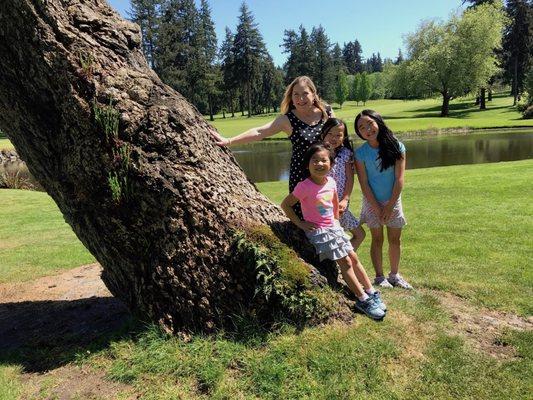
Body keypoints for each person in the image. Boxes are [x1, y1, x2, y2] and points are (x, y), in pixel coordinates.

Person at [281, 142, 386, 320]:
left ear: (331, 163)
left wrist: (336, 220)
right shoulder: (304, 186)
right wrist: (301, 223)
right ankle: (362, 299)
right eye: (314, 160)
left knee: (353, 257)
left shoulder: (331, 182)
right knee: (345, 261)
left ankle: (371, 291)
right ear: (307, 164)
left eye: (324, 160)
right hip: (319, 232)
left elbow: (335, 201)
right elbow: (286, 205)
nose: (319, 164)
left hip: (334, 228)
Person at [211, 76, 333, 217]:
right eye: (296, 94)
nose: (300, 99)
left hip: (327, 172)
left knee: (328, 215)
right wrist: (229, 141)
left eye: (305, 93)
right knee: (305, 218)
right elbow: (259, 132)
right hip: (301, 176)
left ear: (313, 94)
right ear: (291, 97)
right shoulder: (287, 119)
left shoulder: (326, 113)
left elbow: (339, 138)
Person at [354, 109, 413, 290]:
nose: (367, 129)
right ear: (359, 133)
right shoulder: (360, 153)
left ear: (378, 122)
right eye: (362, 128)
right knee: (377, 239)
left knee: (395, 239)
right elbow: (364, 183)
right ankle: (380, 277)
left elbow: (399, 179)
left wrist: (389, 206)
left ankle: (394, 275)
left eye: (370, 123)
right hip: (372, 202)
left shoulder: (397, 146)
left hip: (393, 200)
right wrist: (378, 208)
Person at [319, 118, 366, 251]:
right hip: (324, 207)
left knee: (360, 234)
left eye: (338, 135)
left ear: (344, 137)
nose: (334, 138)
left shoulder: (346, 154)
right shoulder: (318, 153)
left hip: (341, 206)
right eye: (330, 134)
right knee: (332, 238)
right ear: (323, 134)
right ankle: (339, 263)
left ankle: (344, 262)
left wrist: (345, 199)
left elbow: (350, 179)